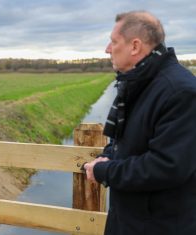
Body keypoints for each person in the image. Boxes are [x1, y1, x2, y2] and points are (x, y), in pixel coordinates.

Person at [83, 11, 196, 235]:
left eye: (114, 42)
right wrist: (109, 155)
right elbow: (126, 140)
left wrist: (105, 171)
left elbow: (167, 167)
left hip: (159, 225)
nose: (107, 49)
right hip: (130, 220)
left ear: (135, 46)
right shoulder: (140, 82)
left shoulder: (180, 92)